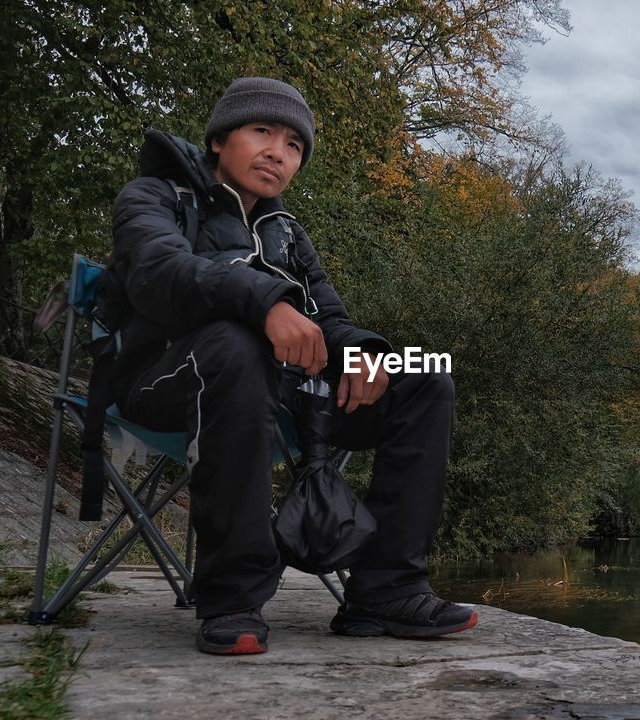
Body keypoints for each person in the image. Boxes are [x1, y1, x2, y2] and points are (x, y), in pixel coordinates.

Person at [99, 77, 476, 655]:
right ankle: (231, 597)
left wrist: (367, 353)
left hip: (284, 393)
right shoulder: (154, 196)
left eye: (295, 145)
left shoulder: (286, 234)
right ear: (221, 139)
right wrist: (266, 302)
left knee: (428, 370)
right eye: (262, 131)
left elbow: (331, 317)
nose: (279, 151)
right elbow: (159, 273)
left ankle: (386, 589)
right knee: (236, 342)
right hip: (163, 379)